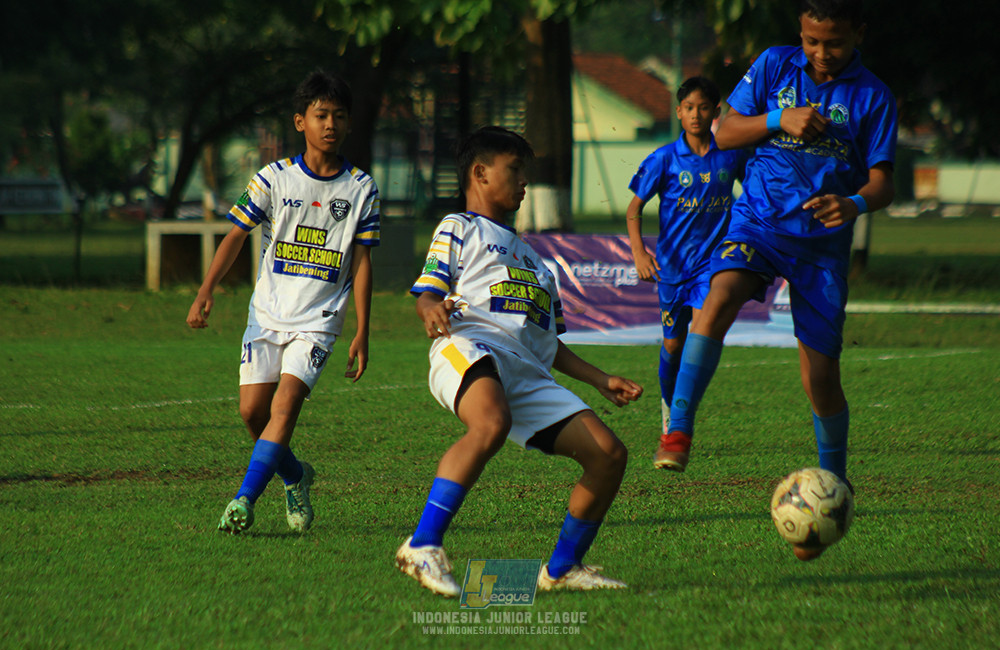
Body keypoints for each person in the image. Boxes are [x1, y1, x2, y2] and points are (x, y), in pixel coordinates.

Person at [660, 0, 896, 558]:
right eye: (812, 41)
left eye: (833, 43)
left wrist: (856, 203)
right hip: (758, 223)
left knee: (820, 379)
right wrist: (777, 119)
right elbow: (723, 132)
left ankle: (833, 489)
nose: (820, 53)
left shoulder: (873, 96)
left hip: (820, 247)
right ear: (800, 33)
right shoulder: (773, 66)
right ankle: (679, 427)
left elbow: (885, 181)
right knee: (717, 298)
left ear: (857, 33)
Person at [395, 126, 643, 596]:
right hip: (469, 346)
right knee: (489, 424)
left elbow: (550, 346)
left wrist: (600, 378)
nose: (524, 182)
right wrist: (430, 309)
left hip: (526, 370)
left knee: (609, 455)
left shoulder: (538, 265)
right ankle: (423, 545)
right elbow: (428, 292)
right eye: (515, 170)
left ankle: (563, 568)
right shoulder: (459, 227)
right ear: (480, 173)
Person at [186, 70, 380, 535]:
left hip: (319, 319)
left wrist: (362, 330)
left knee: (286, 405)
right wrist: (206, 290)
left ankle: (243, 501)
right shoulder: (273, 178)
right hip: (267, 313)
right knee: (252, 413)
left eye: (338, 116)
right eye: (320, 115)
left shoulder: (361, 188)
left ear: (349, 124)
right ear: (300, 122)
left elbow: (362, 261)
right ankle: (294, 475)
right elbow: (235, 236)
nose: (330, 124)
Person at [625, 76, 749, 471]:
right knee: (673, 347)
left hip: (712, 268)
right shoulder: (664, 158)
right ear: (679, 112)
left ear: (715, 112)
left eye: (703, 107)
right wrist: (640, 253)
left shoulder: (731, 155)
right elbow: (634, 208)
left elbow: (756, 190)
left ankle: (679, 427)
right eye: (689, 107)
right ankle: (669, 409)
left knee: (701, 331)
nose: (696, 114)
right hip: (673, 270)